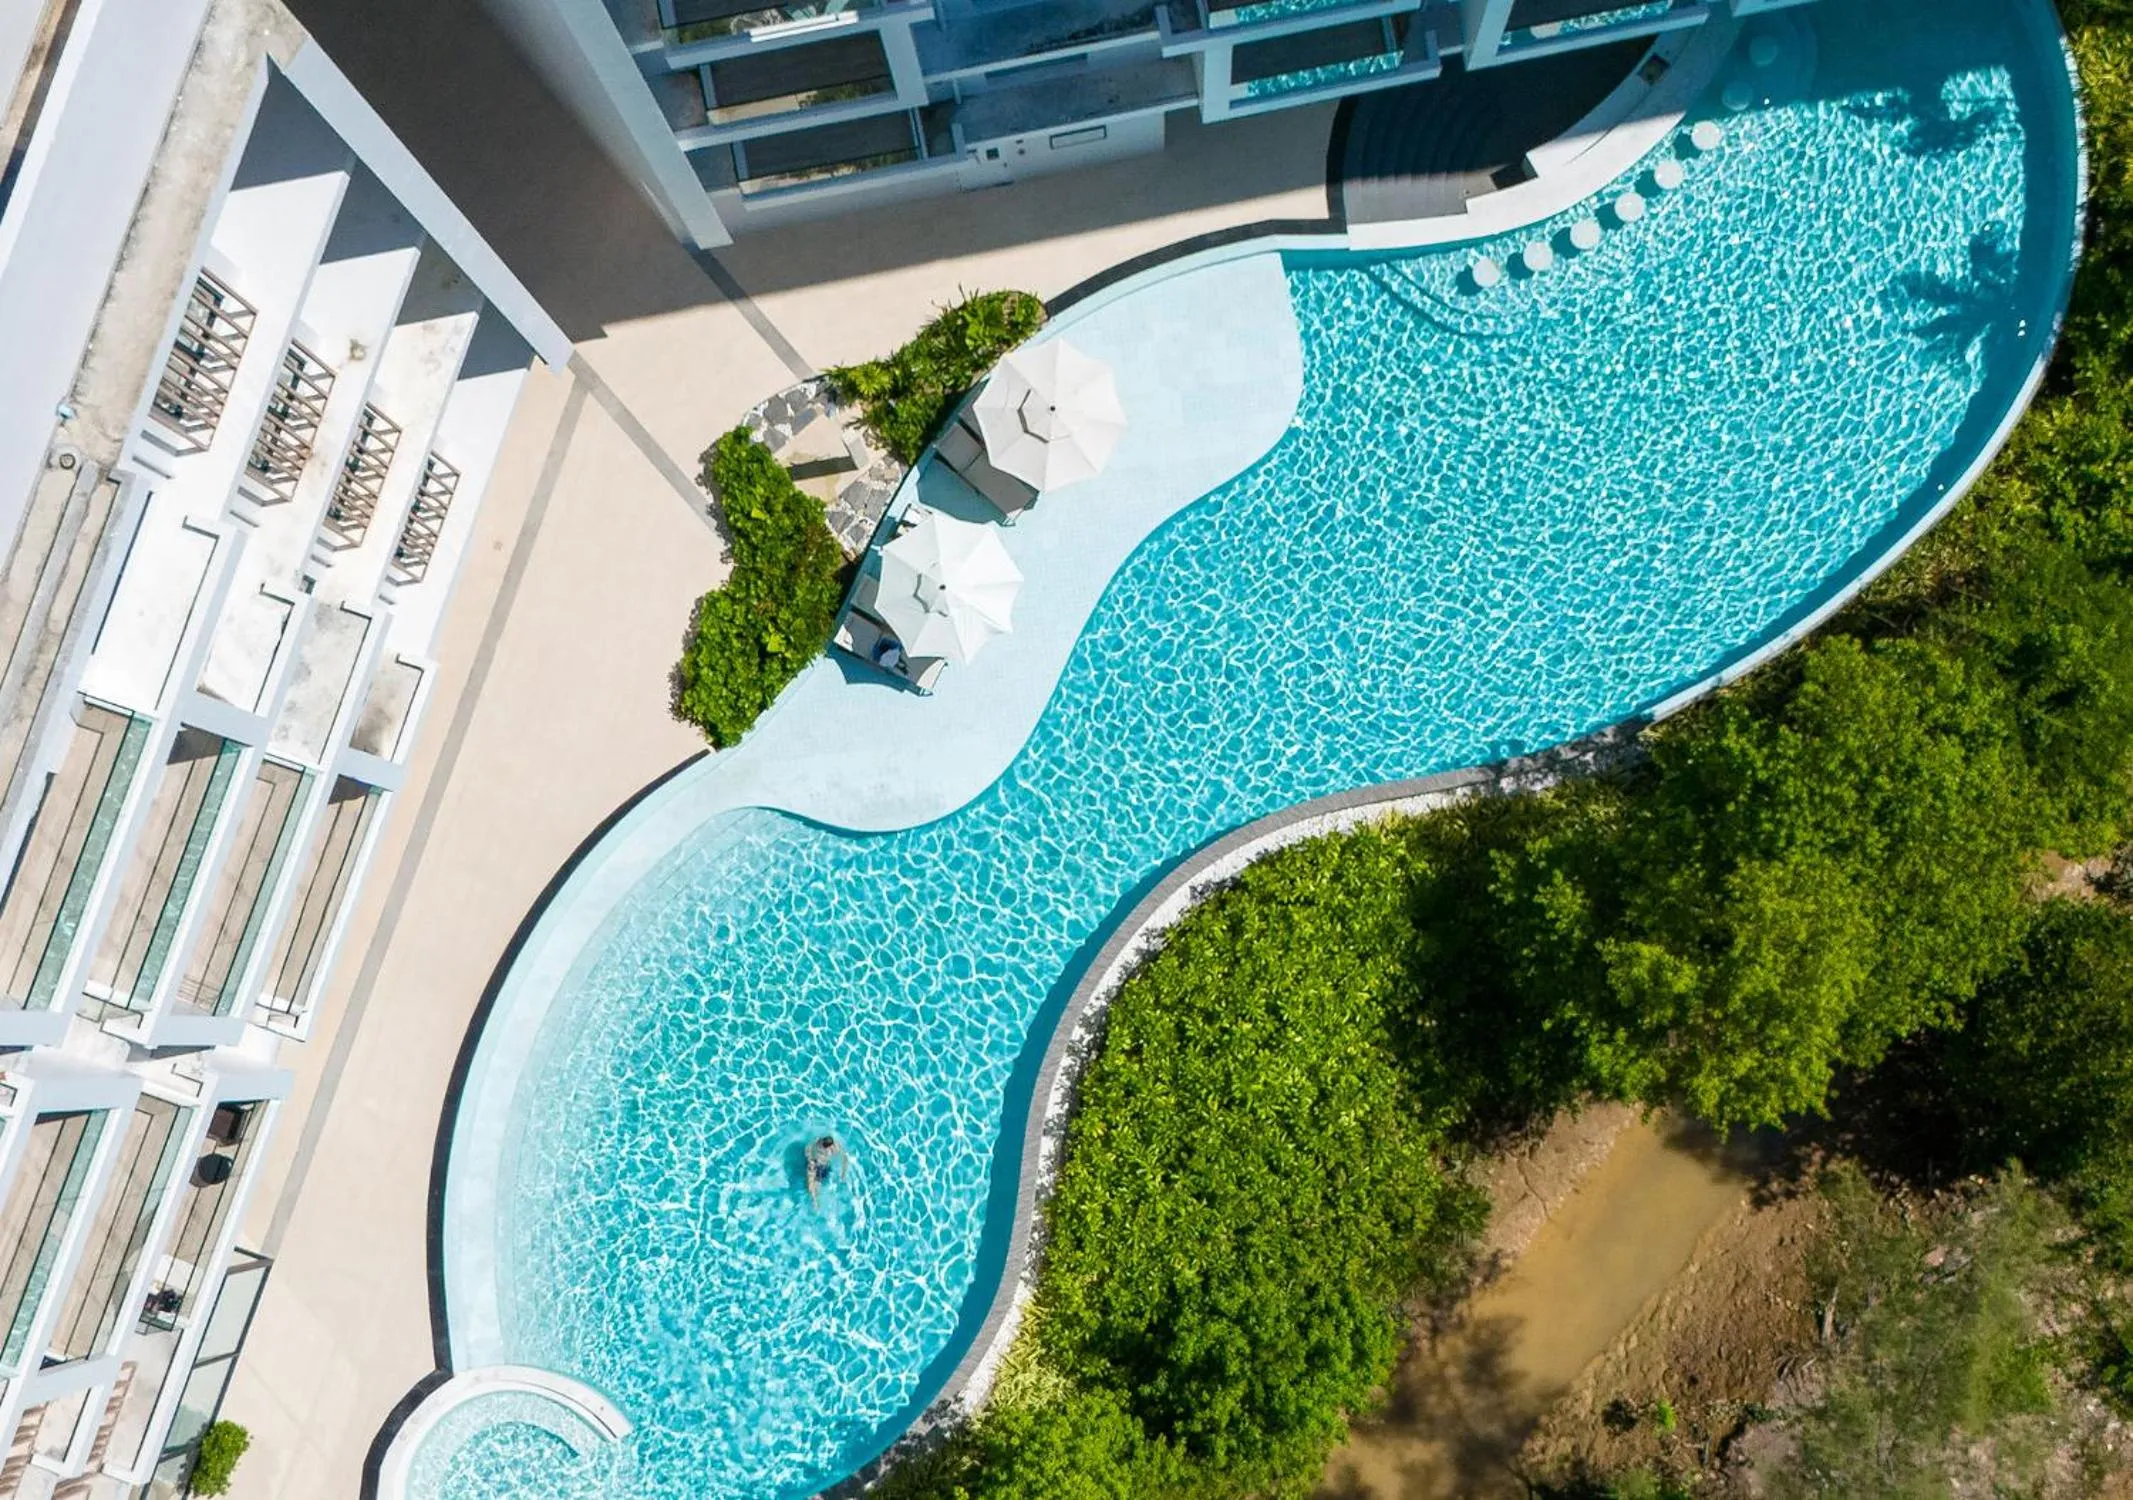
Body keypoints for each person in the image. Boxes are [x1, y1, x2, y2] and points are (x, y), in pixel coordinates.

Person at [805, 1134, 842, 1205]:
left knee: (814, 1185)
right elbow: (808, 1148)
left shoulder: (833, 1148)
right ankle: (814, 1200)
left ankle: (815, 1201)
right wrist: (809, 1158)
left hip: (821, 1167)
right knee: (811, 1183)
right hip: (816, 1164)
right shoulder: (819, 1141)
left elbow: (844, 1157)